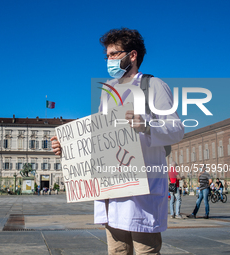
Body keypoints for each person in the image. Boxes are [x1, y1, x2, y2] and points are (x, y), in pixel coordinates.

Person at [52, 28, 184, 254]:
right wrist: (69, 147)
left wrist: (147, 125)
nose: (109, 60)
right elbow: (100, 139)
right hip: (112, 192)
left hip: (142, 192)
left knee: (146, 251)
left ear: (132, 55)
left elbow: (176, 130)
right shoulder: (108, 92)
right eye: (108, 55)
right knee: (117, 252)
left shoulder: (154, 86)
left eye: (114, 54)